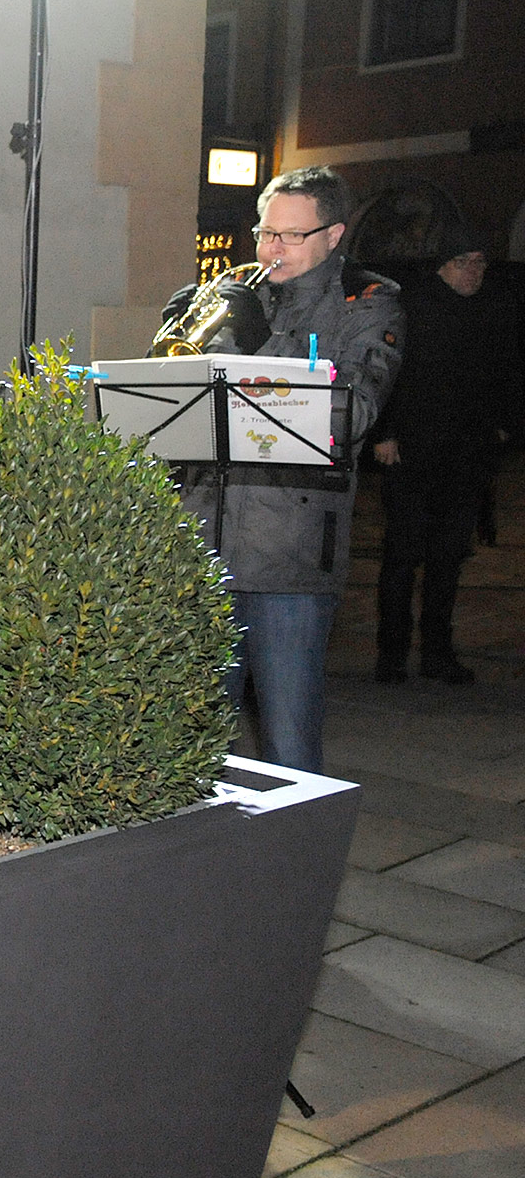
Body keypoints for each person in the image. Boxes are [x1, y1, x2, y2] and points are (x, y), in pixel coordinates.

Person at [171, 166, 404, 771]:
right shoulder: (227, 292)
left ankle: (290, 865)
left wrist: (255, 347)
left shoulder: (369, 302)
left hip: (291, 556)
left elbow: (348, 417)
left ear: (334, 235)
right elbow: (165, 401)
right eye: (265, 233)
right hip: (200, 547)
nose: (272, 249)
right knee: (192, 743)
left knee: (289, 745)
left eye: (291, 236)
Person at [370, 235, 521, 684]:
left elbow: (508, 370)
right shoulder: (410, 306)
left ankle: (438, 651)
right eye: (463, 262)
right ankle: (392, 654)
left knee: (448, 556)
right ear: (441, 266)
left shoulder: (493, 307)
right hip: (412, 450)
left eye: (479, 262)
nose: (473, 271)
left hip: (466, 452)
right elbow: (385, 370)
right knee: (402, 555)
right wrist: (385, 432)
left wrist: (503, 426)